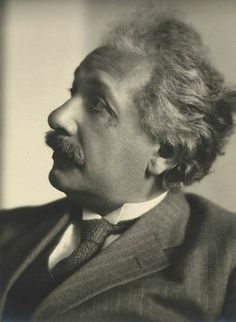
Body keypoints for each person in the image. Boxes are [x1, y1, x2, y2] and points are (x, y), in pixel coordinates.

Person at [0, 10, 235, 322]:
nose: (57, 117)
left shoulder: (225, 257)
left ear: (165, 151)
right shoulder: (7, 230)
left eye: (98, 104)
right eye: (73, 93)